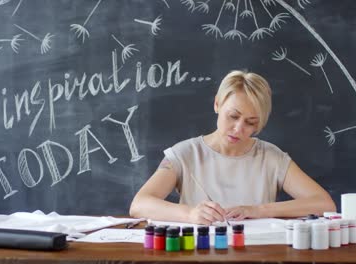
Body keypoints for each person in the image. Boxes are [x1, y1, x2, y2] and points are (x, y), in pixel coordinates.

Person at [129, 70, 336, 225]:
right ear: (217, 104)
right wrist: (190, 214)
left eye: (251, 122)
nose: (238, 129)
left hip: (257, 255)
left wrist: (259, 210)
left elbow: (324, 204)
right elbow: (139, 205)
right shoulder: (185, 154)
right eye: (233, 116)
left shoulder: (271, 157)